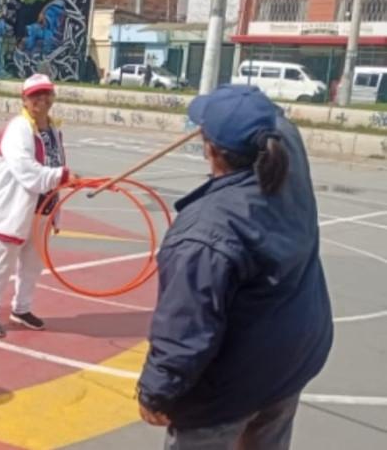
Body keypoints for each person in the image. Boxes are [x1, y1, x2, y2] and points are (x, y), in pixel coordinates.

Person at [137, 85, 333, 450]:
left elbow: (185, 329)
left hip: (229, 389)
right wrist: (236, 108)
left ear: (210, 148)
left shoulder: (204, 232)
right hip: (290, 362)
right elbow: (275, 119)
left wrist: (155, 392)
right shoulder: (288, 164)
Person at [0, 74, 75, 338]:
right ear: (24, 99)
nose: (41, 100)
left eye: (46, 94)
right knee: (1, 263)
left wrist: (65, 182)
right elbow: (27, 172)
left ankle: (22, 308)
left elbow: (54, 166)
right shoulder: (18, 129)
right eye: (35, 96)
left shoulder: (53, 130)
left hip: (43, 208)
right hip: (12, 209)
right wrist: (62, 176)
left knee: (33, 263)